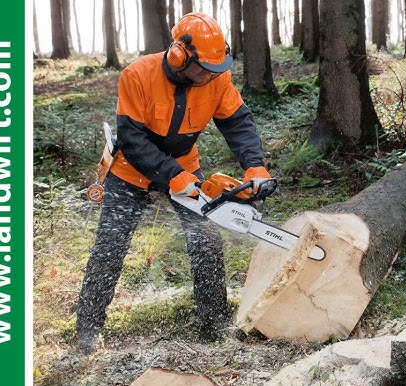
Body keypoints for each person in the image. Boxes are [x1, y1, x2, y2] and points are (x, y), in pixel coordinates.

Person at [75, 12, 272, 352]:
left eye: (216, 68)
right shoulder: (137, 75)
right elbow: (133, 140)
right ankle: (88, 331)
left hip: (185, 168)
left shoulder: (217, 79)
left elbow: (238, 122)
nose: (210, 75)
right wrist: (171, 177)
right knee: (111, 245)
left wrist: (254, 166)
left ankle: (215, 325)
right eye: (204, 69)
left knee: (206, 240)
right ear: (180, 55)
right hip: (129, 172)